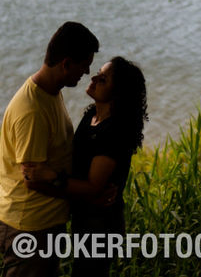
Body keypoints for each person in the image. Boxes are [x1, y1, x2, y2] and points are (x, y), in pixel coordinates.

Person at [0, 21, 100, 277]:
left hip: (43, 224)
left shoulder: (51, 92)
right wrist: (87, 195)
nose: (86, 73)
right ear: (65, 64)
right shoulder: (33, 111)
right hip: (28, 227)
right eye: (84, 65)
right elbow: (32, 179)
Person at [24, 56, 148, 277]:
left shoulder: (114, 132)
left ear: (117, 94)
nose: (93, 78)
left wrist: (50, 175)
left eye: (103, 79)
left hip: (102, 224)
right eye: (98, 73)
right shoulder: (92, 115)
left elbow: (92, 186)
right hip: (86, 218)